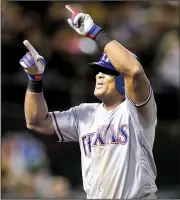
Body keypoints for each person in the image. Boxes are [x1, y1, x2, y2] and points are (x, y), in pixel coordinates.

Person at [19, 5, 157, 199]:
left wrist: (94, 32)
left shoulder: (137, 110)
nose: (99, 75)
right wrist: (35, 80)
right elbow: (36, 121)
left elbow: (133, 71)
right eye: (99, 70)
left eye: (108, 72)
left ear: (122, 80)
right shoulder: (85, 113)